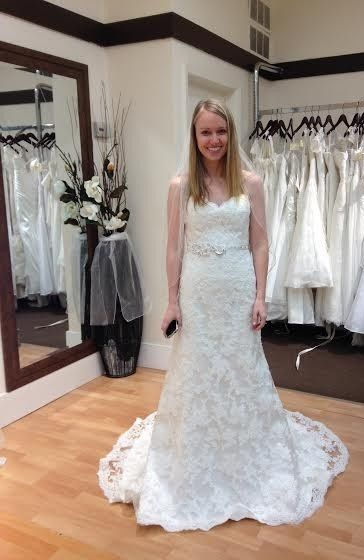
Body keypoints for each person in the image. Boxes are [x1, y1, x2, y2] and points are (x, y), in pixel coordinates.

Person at [98, 99, 349, 532]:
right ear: (194, 137)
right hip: (197, 293)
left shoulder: (251, 183)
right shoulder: (180, 186)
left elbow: (260, 244)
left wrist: (260, 296)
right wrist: (172, 301)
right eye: (205, 132)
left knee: (241, 367)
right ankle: (192, 453)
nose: (214, 140)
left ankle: (248, 451)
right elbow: (173, 248)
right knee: (196, 369)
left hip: (237, 290)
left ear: (230, 134)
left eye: (221, 131)